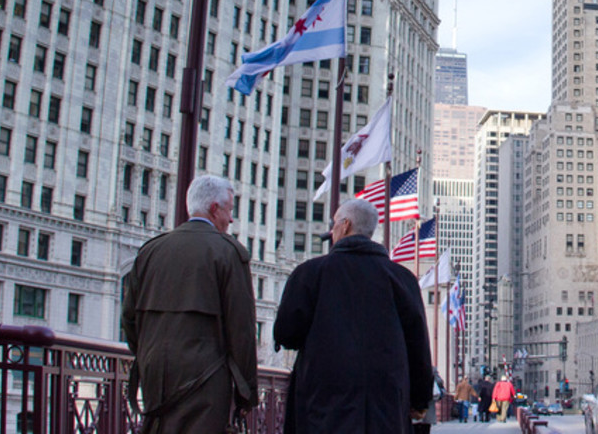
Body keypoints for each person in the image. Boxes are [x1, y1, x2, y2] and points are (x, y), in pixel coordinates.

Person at [276, 198, 433, 432]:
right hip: (385, 407)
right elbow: (418, 349)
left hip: (322, 405)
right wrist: (419, 401)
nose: (331, 231)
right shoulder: (402, 279)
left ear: (346, 225)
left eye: (334, 224)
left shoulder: (310, 274)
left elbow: (287, 334)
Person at [121, 175, 256, 433]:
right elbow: (242, 331)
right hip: (206, 383)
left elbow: (129, 319)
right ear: (214, 209)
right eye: (229, 211)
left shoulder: (149, 251)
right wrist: (246, 393)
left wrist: (147, 356)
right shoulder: (229, 252)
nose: (231, 219)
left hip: (154, 378)